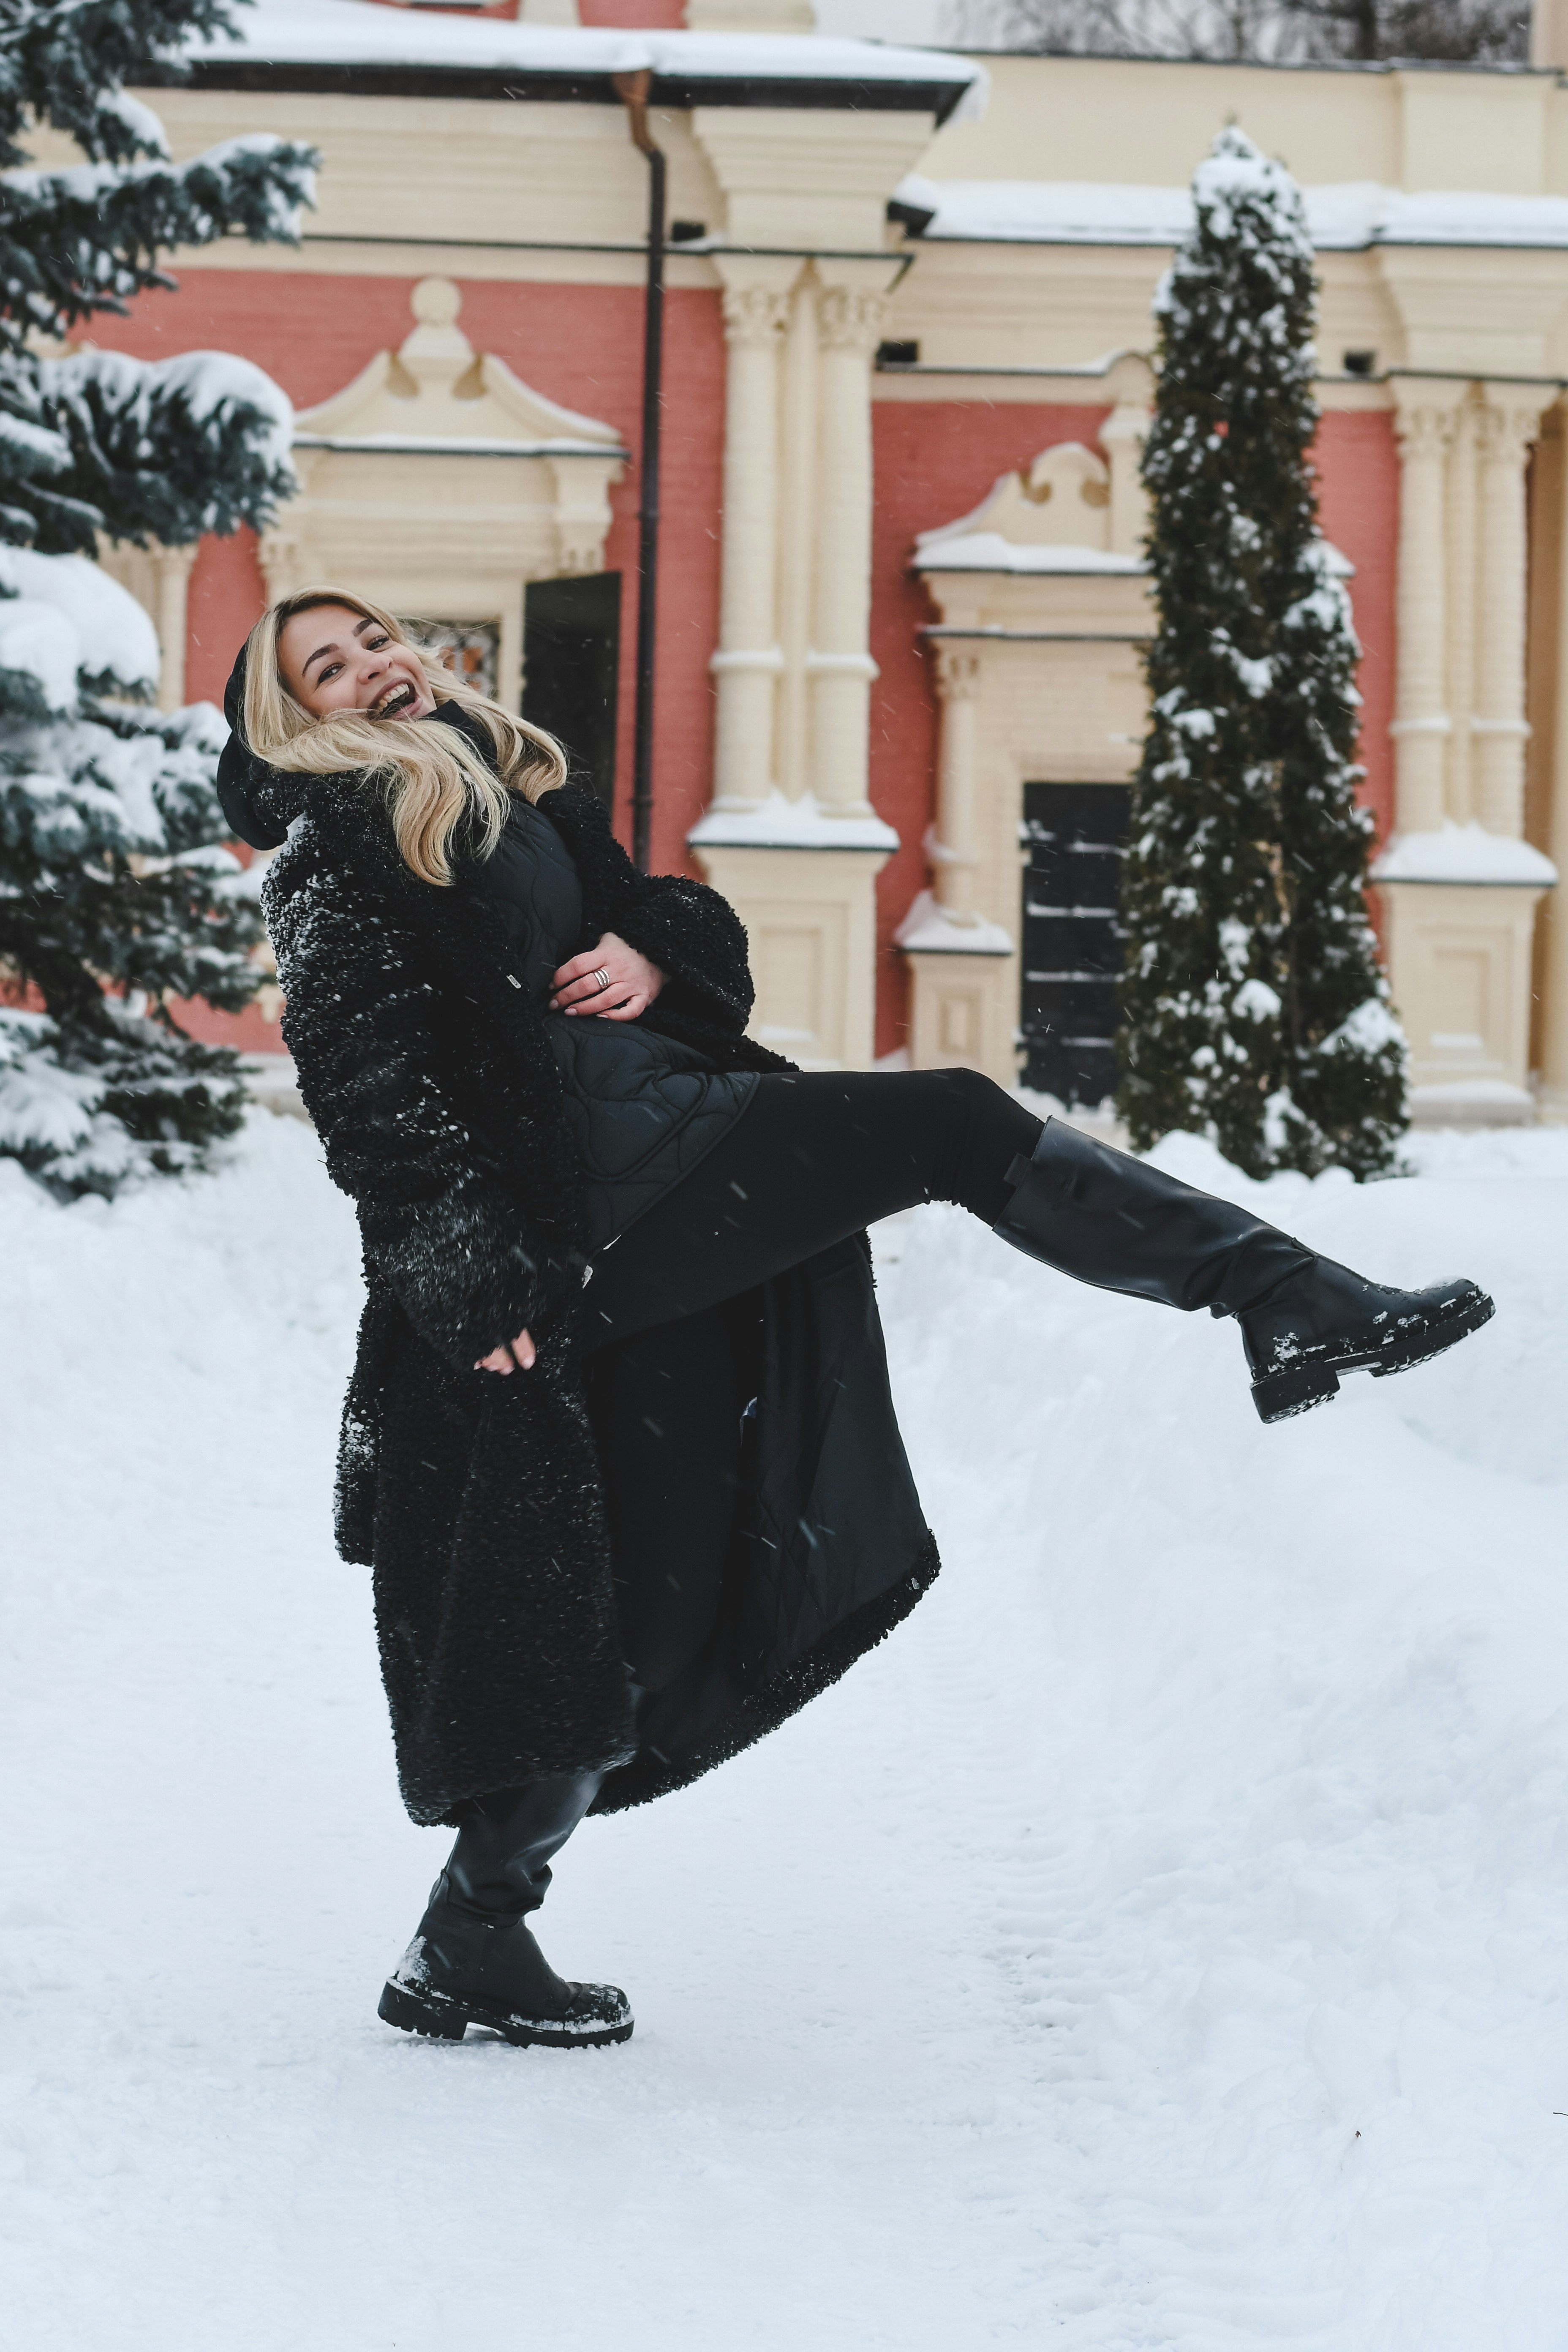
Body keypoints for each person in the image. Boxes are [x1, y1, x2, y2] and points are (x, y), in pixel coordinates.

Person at [218, 588, 1494, 2055]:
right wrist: (463, 1267)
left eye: (375, 638)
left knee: (627, 1586)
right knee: (949, 1120)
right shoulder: (335, 851)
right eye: (329, 666)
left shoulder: (504, 789)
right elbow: (365, 1082)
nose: (372, 665)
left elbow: (649, 916)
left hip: (655, 1132)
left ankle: (472, 1934)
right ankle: (1288, 1299)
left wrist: (653, 953)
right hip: (587, 1200)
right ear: (293, 718)